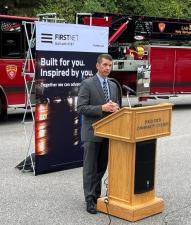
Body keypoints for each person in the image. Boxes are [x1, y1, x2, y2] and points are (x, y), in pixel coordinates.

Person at [77, 53, 120, 214]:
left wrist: (116, 109)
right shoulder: (87, 84)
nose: (107, 68)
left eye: (110, 65)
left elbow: (115, 107)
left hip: (109, 133)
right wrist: (101, 108)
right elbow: (80, 108)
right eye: (104, 65)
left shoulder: (114, 86)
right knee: (90, 168)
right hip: (92, 132)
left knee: (102, 166)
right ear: (97, 66)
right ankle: (89, 200)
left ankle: (96, 195)